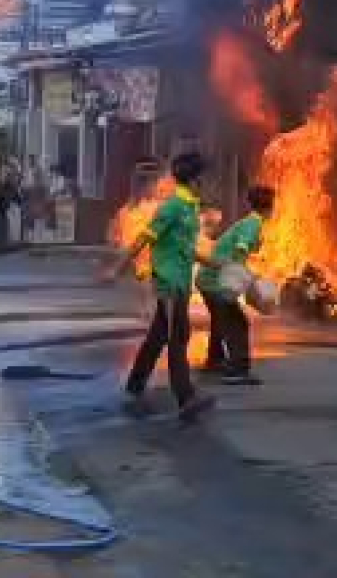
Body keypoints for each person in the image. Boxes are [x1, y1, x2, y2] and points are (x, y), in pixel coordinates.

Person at [112, 152, 214, 422]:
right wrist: (117, 269)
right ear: (194, 179)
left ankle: (135, 383)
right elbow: (142, 240)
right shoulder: (171, 208)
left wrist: (215, 263)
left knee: (159, 335)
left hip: (181, 280)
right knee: (178, 336)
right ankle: (185, 398)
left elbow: (186, 248)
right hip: (168, 282)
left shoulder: (191, 207)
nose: (206, 181)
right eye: (203, 176)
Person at [197, 186, 275, 386]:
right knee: (238, 323)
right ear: (271, 207)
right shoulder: (252, 225)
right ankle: (238, 369)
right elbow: (240, 251)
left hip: (208, 278)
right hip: (217, 281)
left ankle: (215, 361)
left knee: (221, 319)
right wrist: (237, 283)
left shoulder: (246, 222)